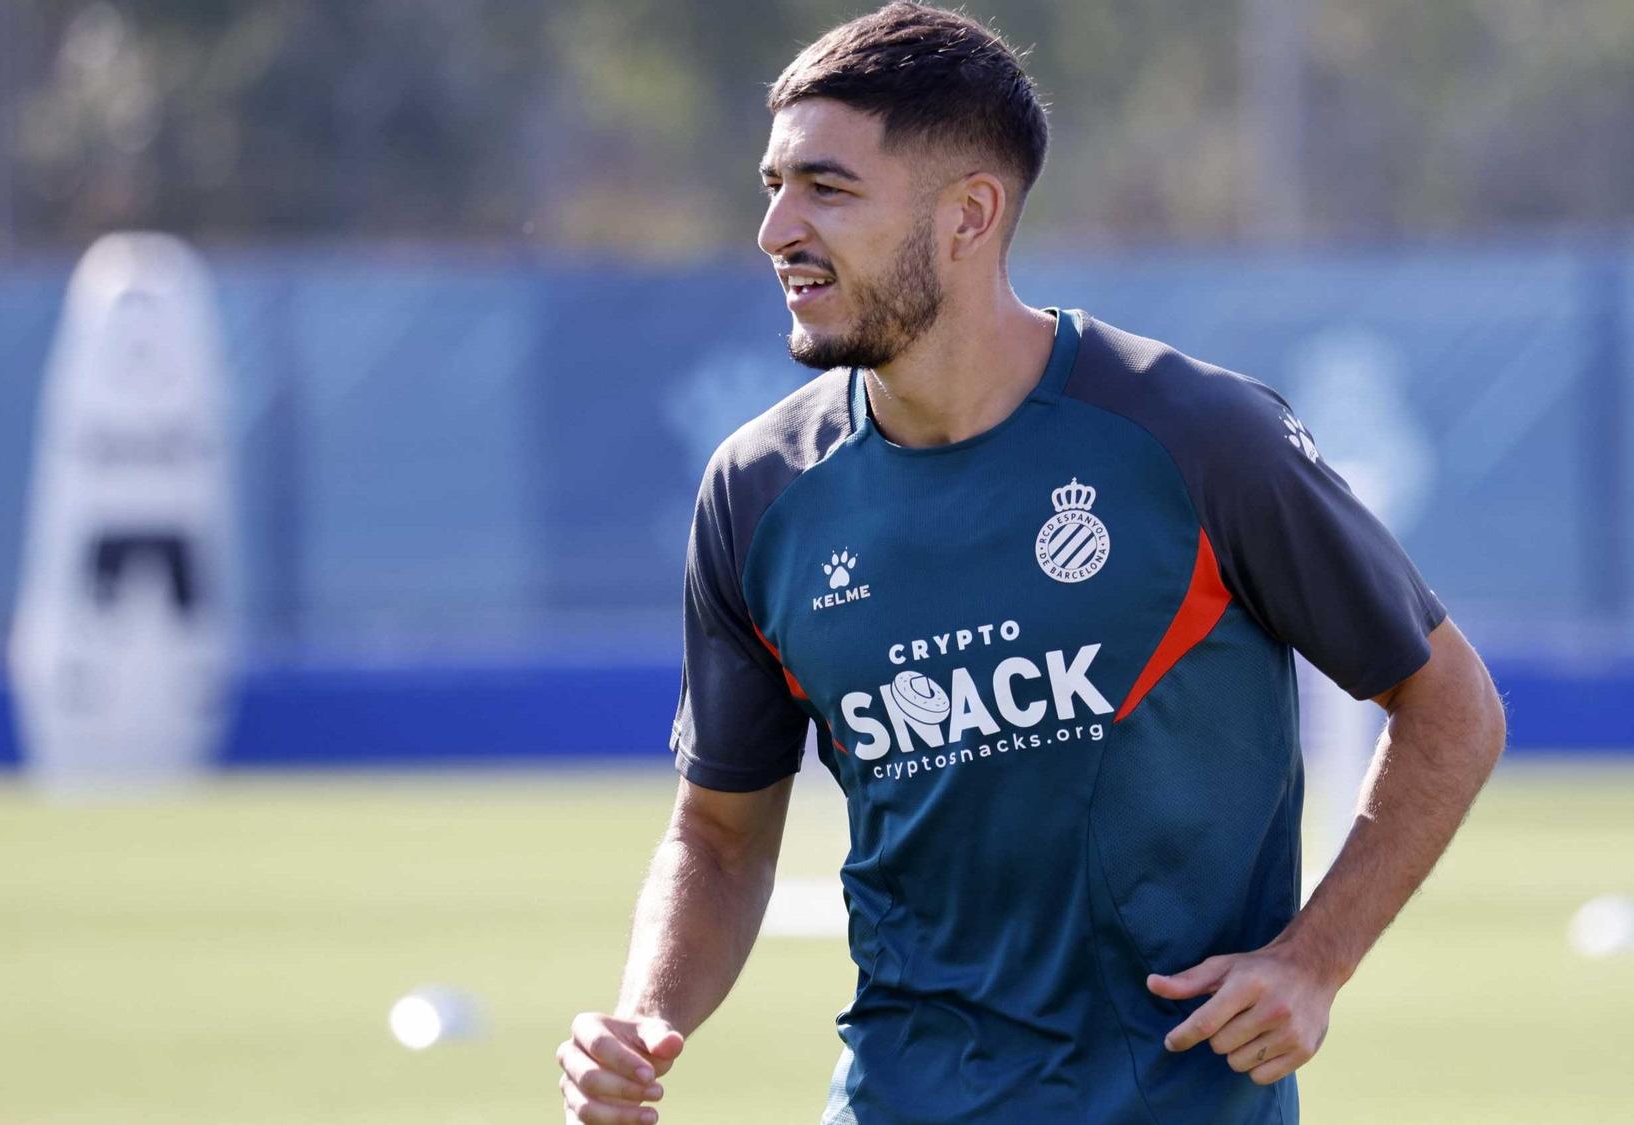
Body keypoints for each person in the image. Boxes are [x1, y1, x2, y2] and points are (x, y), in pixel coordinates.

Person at [557, 4, 1507, 1122]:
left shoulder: (1196, 439)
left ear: (968, 214)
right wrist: (642, 1020)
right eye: (770, 185)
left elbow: (1447, 702)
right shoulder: (757, 491)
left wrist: (1313, 959)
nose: (774, 228)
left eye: (825, 187)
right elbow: (716, 839)